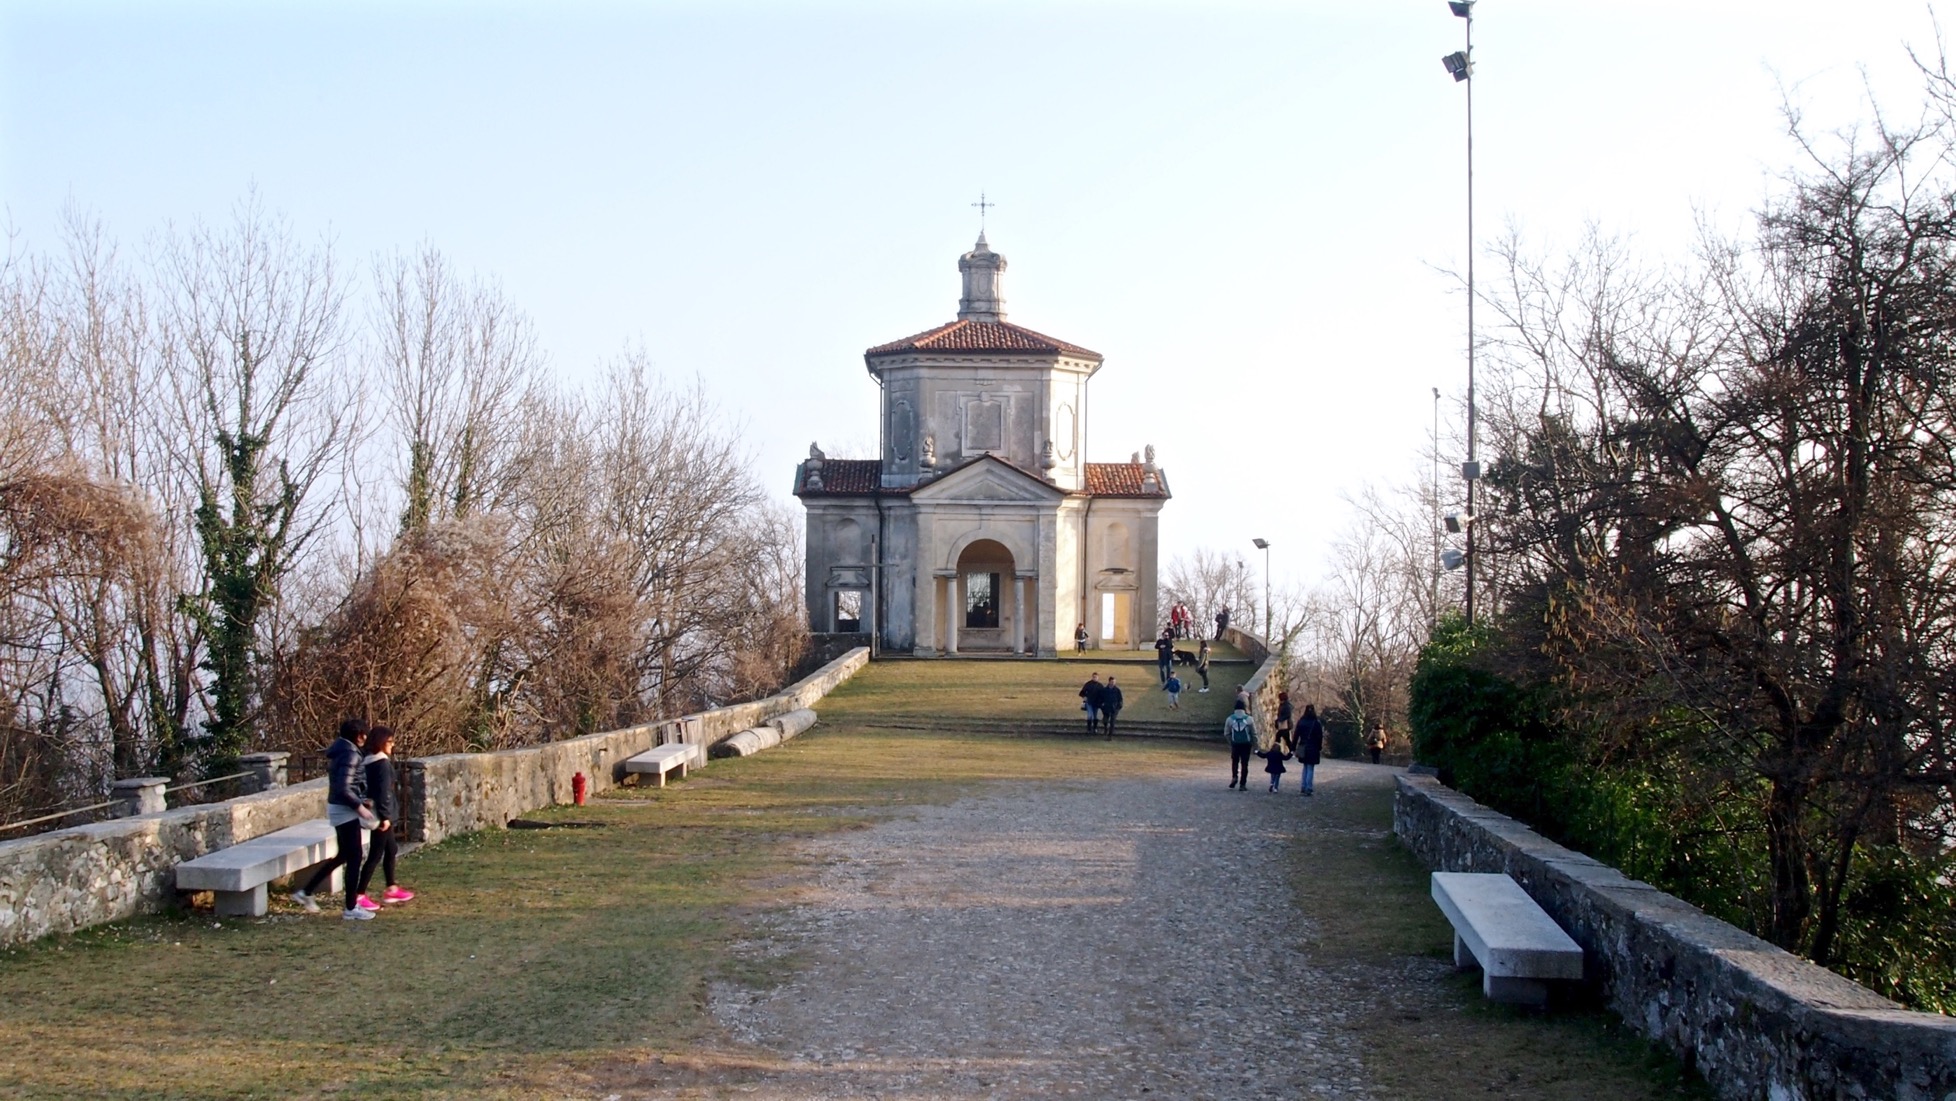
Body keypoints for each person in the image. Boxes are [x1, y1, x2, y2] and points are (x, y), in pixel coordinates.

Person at [293, 717, 375, 920]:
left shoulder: (342, 751)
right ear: (359, 736)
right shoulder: (351, 754)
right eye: (365, 735)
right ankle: (351, 907)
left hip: (340, 807)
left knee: (345, 854)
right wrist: (359, 807)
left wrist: (361, 800)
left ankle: (306, 891)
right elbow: (343, 788)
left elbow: (347, 785)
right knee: (355, 857)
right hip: (345, 810)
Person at [355, 726, 415, 908]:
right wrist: (385, 817)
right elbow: (383, 793)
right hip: (381, 816)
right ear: (380, 743)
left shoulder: (368, 762)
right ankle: (359, 895)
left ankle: (391, 888)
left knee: (391, 849)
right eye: (389, 741)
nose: (392, 745)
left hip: (379, 813)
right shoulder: (381, 764)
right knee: (375, 854)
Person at [1224, 702, 1257, 789]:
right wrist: (1255, 745)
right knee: (1244, 763)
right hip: (1246, 744)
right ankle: (1243, 784)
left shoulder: (1230, 719)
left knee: (1235, 761)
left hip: (1235, 743)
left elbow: (1226, 733)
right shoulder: (1249, 719)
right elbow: (1254, 733)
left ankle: (1234, 776)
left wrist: (1231, 742)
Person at [1294, 704, 1325, 796]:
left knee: (1305, 767)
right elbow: (1320, 737)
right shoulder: (1316, 723)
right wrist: (1319, 747)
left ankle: (1303, 786)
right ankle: (1309, 787)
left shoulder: (1301, 722)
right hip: (1313, 747)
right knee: (1310, 767)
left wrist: (1293, 747)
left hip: (1303, 746)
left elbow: (1296, 735)